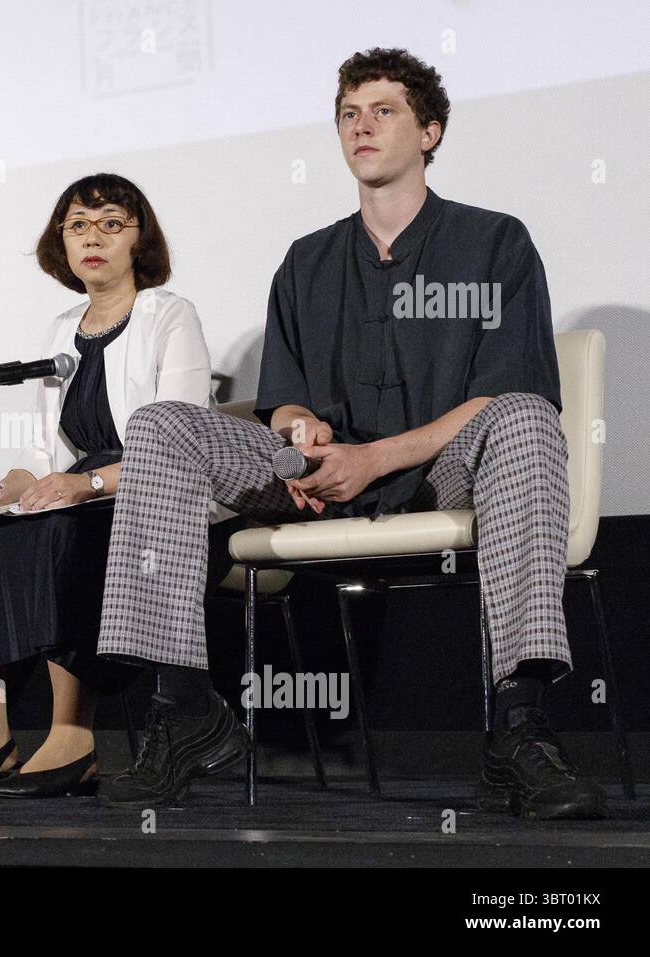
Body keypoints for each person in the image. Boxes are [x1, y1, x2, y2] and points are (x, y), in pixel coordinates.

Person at [95, 48, 606, 820]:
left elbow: (508, 392)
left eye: (383, 110)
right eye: (347, 113)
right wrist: (299, 427)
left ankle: (518, 726)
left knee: (528, 418)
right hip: (319, 480)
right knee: (162, 426)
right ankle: (186, 706)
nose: (360, 125)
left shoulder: (496, 242)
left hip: (443, 469)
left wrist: (375, 458)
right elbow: (284, 404)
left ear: (431, 131)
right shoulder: (306, 261)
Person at [0, 173, 213, 798]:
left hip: (145, 495)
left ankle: (73, 737)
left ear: (140, 241)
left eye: (111, 224)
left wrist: (88, 485)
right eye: (77, 226)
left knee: (60, 532)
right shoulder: (59, 330)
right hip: (79, 484)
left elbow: (179, 444)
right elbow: (41, 454)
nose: (92, 238)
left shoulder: (169, 315)